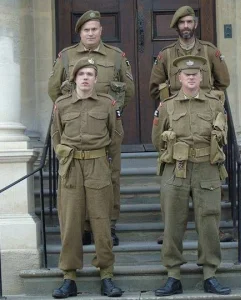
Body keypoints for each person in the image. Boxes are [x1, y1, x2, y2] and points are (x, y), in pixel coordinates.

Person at [48, 10, 135, 246]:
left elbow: (128, 89)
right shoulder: (66, 57)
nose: (90, 33)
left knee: (111, 175)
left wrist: (109, 113)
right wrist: (69, 110)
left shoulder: (115, 56)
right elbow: (54, 89)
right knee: (74, 180)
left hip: (105, 128)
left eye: (94, 29)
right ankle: (82, 228)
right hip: (75, 128)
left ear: (101, 31)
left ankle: (109, 225)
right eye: (86, 30)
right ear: (80, 33)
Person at [149, 5, 231, 244]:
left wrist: (210, 100)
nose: (186, 26)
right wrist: (173, 101)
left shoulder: (209, 51)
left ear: (195, 24)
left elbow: (223, 82)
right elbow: (155, 86)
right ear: (176, 26)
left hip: (206, 115)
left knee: (212, 171)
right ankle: (171, 232)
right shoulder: (165, 55)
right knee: (172, 185)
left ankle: (214, 230)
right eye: (181, 23)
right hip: (177, 115)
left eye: (189, 22)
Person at [152, 55, 231, 296]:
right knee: (172, 223)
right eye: (187, 75)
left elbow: (222, 136)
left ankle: (209, 273)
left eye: (195, 74)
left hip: (206, 166)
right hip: (175, 168)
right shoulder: (167, 105)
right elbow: (157, 139)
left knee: (208, 222)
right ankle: (173, 275)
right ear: (179, 78)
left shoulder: (215, 104)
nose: (191, 78)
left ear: (201, 77)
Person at [51, 57, 122, 298]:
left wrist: (110, 171)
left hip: (98, 165)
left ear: (95, 78)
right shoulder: (61, 105)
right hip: (71, 168)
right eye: (81, 73)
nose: (85, 77)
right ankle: (69, 277)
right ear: (74, 78)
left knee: (101, 222)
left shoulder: (107, 104)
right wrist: (64, 159)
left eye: (90, 74)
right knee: (70, 223)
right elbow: (56, 137)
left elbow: (115, 139)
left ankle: (107, 275)